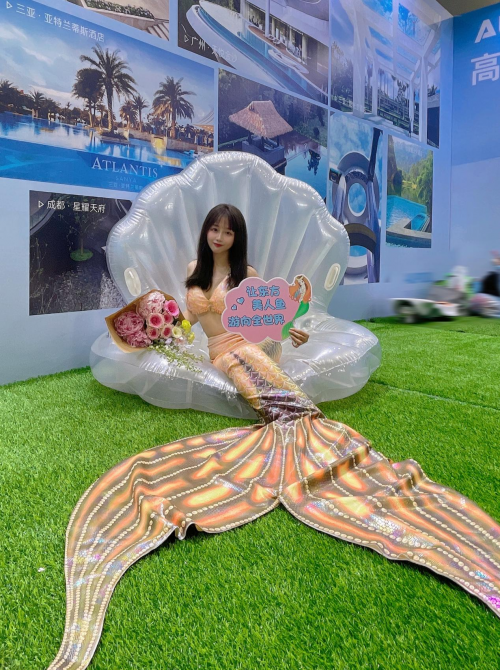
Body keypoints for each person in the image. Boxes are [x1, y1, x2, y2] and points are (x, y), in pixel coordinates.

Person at [49, 205, 500, 670]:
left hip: (250, 343)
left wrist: (291, 330)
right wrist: (162, 330)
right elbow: (190, 321)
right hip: (220, 351)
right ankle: (304, 428)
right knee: (248, 377)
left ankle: (315, 432)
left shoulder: (247, 274)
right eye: (214, 229)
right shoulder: (193, 270)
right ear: (206, 232)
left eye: (228, 231)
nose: (219, 236)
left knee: (270, 382)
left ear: (237, 237)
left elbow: (264, 316)